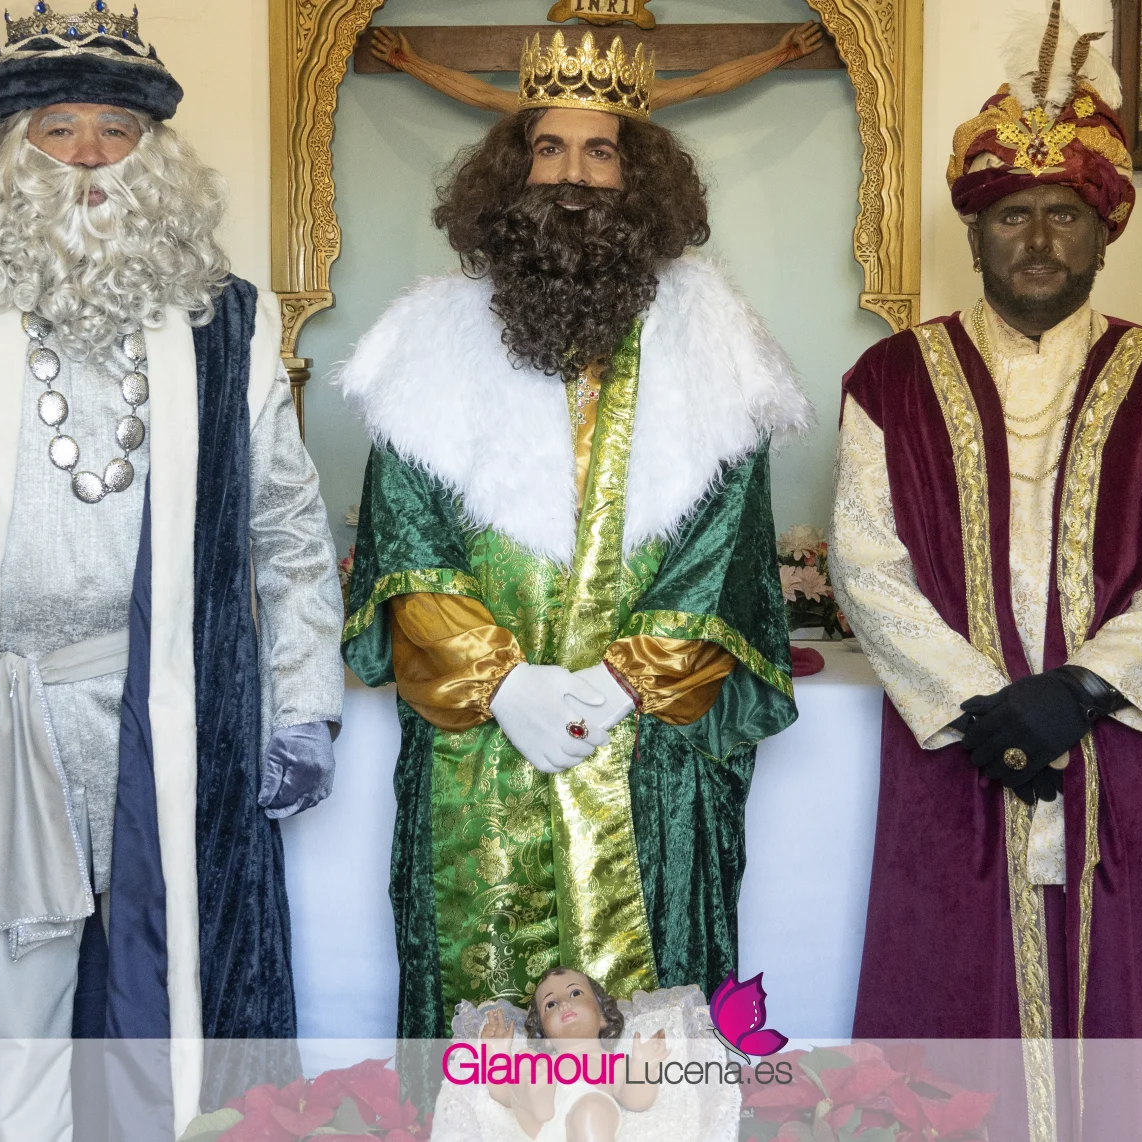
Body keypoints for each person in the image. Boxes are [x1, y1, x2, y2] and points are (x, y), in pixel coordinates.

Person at [0, 5, 344, 1138]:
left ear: (156, 153)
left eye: (115, 129)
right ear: (9, 149)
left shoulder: (228, 323)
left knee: (164, 983)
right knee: (11, 990)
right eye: (60, 128)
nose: (90, 156)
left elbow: (289, 529)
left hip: (171, 709)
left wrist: (303, 707)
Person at [831, 3, 1142, 1139]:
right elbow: (866, 562)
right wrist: (989, 707)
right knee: (946, 986)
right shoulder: (889, 378)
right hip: (959, 746)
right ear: (973, 232)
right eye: (1011, 214)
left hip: (1127, 748)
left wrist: (1076, 690)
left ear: (1103, 234)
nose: (1036, 238)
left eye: (1063, 214)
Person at [338, 31, 810, 1041]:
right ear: (512, 171)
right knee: (482, 1022)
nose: (573, 177)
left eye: (601, 152)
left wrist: (619, 684)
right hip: (479, 743)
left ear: (640, 179)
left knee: (655, 1026)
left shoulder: (714, 341)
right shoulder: (428, 342)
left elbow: (725, 543)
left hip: (645, 748)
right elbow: (405, 540)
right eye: (549, 149)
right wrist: (506, 683)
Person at [478, 968, 669, 1142]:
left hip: (588, 1119)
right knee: (523, 1063)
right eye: (550, 1004)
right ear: (545, 1037)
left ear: (603, 1015)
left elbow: (637, 1100)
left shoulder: (611, 1063)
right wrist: (496, 1051)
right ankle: (540, 1100)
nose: (563, 1004)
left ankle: (543, 1099)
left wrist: (644, 1066)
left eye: (575, 993)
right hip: (541, 1127)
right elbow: (502, 1092)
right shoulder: (544, 1064)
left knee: (591, 1110)